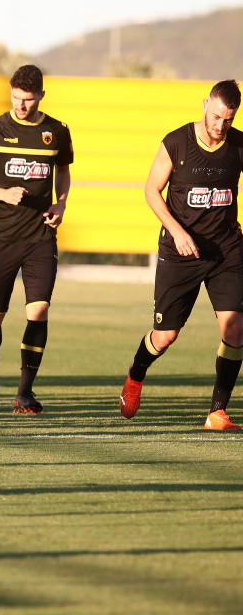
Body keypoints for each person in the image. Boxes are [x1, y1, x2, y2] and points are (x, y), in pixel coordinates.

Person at [120, 80, 243, 431]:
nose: (220, 126)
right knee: (165, 336)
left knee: (235, 329)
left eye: (228, 120)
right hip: (180, 253)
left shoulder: (238, 145)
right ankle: (135, 374)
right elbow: (151, 190)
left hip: (226, 251)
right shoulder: (176, 142)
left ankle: (217, 412)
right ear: (205, 104)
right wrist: (177, 231)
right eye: (216, 116)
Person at [0, 64, 72, 414]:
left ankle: (25, 391)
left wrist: (61, 204)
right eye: (16, 98)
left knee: (38, 311)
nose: (21, 105)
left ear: (40, 95)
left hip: (40, 238)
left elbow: (64, 174)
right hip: (1, 238)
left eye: (27, 99)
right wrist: (1, 194)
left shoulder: (57, 131)